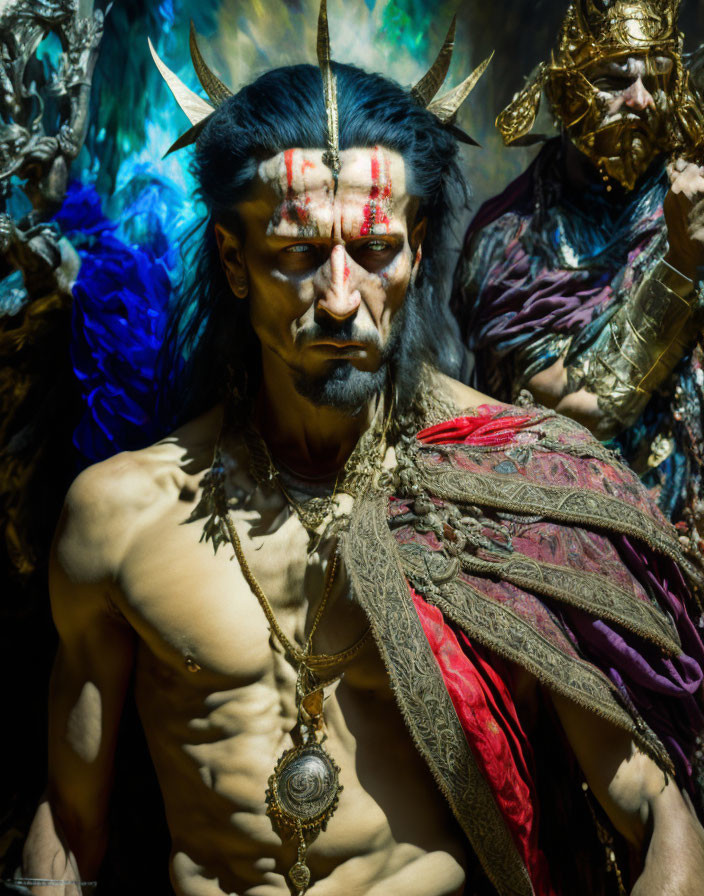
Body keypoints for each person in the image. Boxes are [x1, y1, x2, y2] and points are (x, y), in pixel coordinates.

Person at [15, 4, 704, 895]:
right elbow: (70, 831)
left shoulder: (514, 486)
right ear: (233, 260)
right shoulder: (119, 518)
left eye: (375, 249)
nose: (341, 297)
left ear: (417, 251)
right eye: (299, 252)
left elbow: (656, 811)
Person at [451, 0, 704, 542]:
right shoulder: (507, 242)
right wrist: (681, 265)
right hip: (580, 543)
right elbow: (577, 410)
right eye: (615, 79)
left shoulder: (692, 197)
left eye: (656, 80)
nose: (640, 100)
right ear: (565, 93)